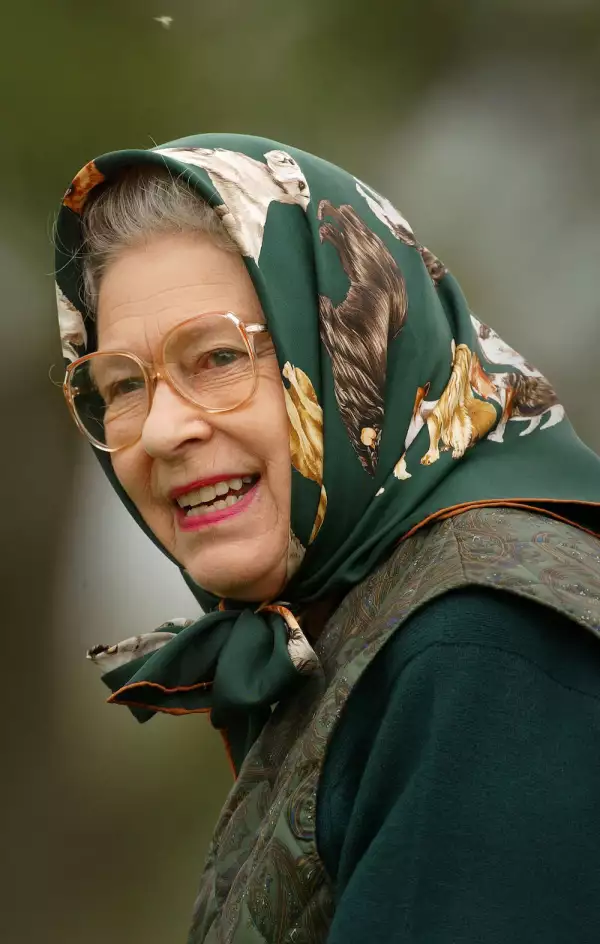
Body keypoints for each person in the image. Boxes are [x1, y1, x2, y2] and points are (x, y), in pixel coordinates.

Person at [54, 133, 600, 944]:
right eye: (124, 385)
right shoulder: (372, 617)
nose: (163, 430)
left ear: (353, 351)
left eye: (214, 357)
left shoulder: (484, 651)